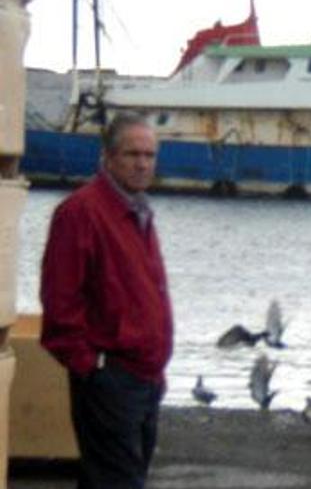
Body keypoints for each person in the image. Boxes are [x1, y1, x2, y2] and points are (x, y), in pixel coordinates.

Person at [40, 112, 173, 489]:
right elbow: (60, 299)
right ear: (108, 158)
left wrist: (155, 369)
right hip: (111, 377)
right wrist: (92, 369)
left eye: (149, 155)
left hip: (144, 379)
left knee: (121, 479)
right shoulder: (81, 213)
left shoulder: (139, 211)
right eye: (132, 154)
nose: (142, 163)